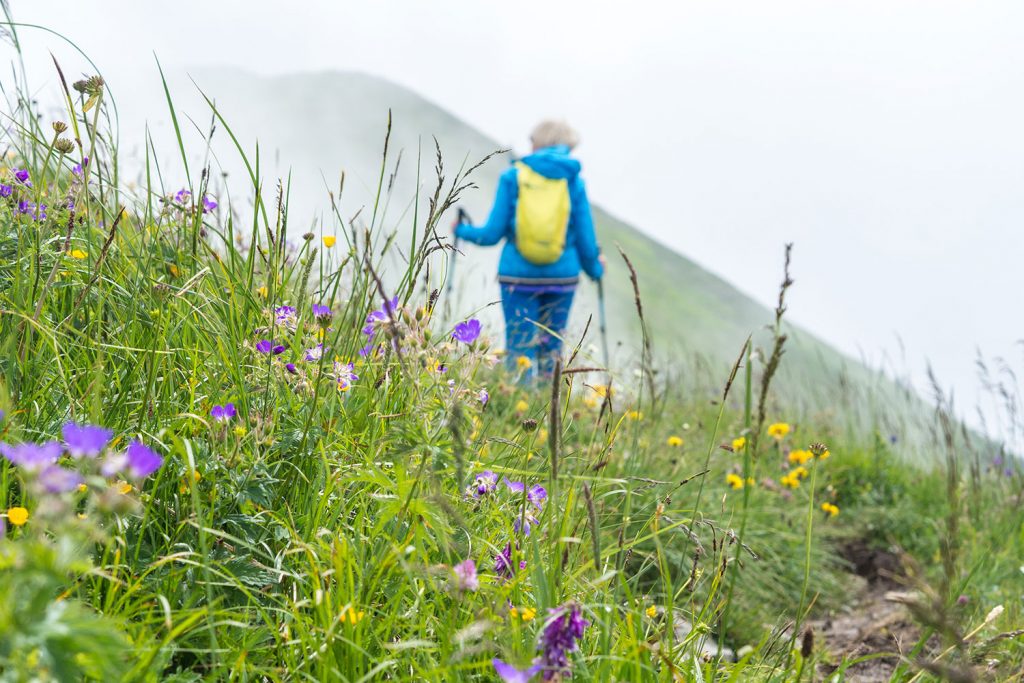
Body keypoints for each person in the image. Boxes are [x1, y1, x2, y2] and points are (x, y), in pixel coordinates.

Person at [454, 119, 605, 378]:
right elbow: (585, 239)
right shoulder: (573, 182)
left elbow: (491, 235)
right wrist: (595, 269)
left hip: (517, 277)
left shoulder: (513, 177)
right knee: (552, 351)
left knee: (519, 348)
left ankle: (517, 412)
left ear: (538, 143)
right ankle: (548, 410)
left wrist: (461, 230)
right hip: (562, 278)